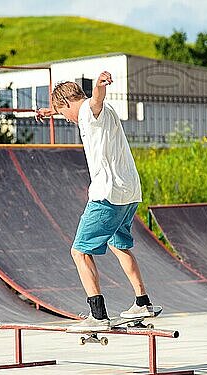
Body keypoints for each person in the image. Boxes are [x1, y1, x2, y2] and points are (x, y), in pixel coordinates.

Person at [36, 71, 158, 332]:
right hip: (129, 193)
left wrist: (100, 86)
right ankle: (142, 302)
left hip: (107, 194)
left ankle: (98, 315)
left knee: (79, 251)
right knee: (118, 244)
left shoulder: (90, 110)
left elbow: (93, 103)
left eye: (63, 113)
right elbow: (82, 107)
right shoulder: (97, 112)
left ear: (68, 103)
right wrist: (52, 111)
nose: (67, 120)